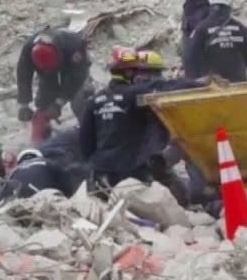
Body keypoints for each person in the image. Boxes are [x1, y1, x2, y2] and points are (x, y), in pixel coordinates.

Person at [79, 51, 201, 190]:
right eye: (136, 71)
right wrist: (200, 84)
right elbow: (166, 87)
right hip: (131, 173)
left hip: (101, 173)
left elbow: (85, 142)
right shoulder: (134, 95)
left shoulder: (94, 101)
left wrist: (97, 163)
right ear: (129, 73)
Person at [16, 27, 93, 143]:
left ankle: (90, 133)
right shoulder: (29, 47)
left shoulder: (74, 44)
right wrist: (24, 104)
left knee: (81, 99)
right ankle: (40, 141)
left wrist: (59, 103)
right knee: (43, 102)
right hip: (48, 71)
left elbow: (77, 78)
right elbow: (23, 73)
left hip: (76, 71)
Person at [182, 0, 247, 82]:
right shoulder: (241, 29)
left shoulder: (200, 30)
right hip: (239, 87)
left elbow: (190, 59)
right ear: (231, 1)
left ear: (210, 0)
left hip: (212, 89)